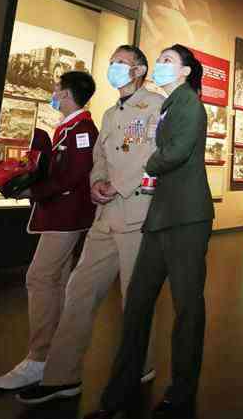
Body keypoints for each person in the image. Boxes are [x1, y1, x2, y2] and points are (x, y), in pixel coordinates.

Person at [17, 46, 165, 404]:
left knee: (135, 297)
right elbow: (99, 156)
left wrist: (119, 184)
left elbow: (155, 153)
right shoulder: (112, 113)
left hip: (137, 216)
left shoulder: (156, 106)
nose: (114, 68)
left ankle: (139, 365)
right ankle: (61, 376)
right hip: (105, 217)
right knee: (78, 291)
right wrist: (97, 182)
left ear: (140, 69)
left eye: (122, 63)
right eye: (111, 62)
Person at [84, 45, 214, 419]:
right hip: (159, 216)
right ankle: (119, 392)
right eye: (158, 59)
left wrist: (142, 164)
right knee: (137, 304)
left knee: (187, 308)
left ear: (186, 72)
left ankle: (181, 394)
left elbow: (174, 152)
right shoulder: (168, 105)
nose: (160, 65)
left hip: (187, 218)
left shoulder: (189, 104)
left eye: (168, 60)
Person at [0, 71, 99, 390]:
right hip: (58, 214)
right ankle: (55, 356)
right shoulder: (67, 128)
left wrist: (32, 191)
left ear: (67, 95)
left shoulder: (82, 131)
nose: (53, 95)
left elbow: (71, 177)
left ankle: (38, 359)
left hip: (66, 217)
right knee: (56, 281)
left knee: (39, 278)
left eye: (56, 90)